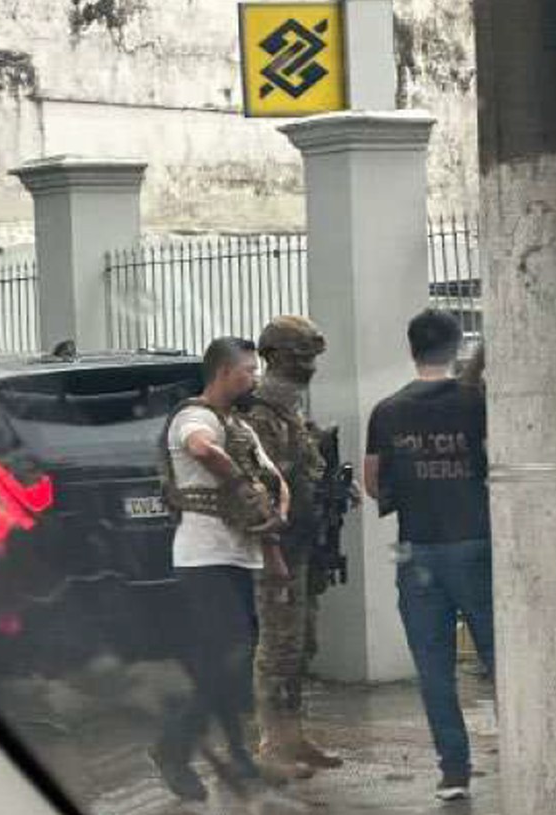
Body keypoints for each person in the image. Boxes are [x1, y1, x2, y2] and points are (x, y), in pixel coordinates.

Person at [363, 309, 494, 802]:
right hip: (475, 543)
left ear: (411, 349)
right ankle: (528, 750)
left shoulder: (387, 411)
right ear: (457, 346)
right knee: (500, 657)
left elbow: (373, 480)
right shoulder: (477, 401)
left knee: (434, 667)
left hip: (416, 550)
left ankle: (454, 772)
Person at [151, 337, 289, 802]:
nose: (255, 379)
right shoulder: (196, 417)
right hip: (204, 558)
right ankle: (173, 747)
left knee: (231, 663)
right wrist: (242, 484)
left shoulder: (240, 427)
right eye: (249, 370)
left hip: (241, 555)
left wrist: (274, 527)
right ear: (225, 372)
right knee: (227, 659)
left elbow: (272, 481)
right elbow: (201, 448)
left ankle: (238, 755)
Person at [240, 316, 343, 779]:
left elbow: (306, 469)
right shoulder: (259, 413)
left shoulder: (289, 410)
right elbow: (258, 484)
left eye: (312, 358)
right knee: (279, 647)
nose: (310, 367)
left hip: (302, 543)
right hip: (275, 546)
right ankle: (272, 745)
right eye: (300, 358)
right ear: (273, 357)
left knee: (303, 645)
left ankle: (292, 736)